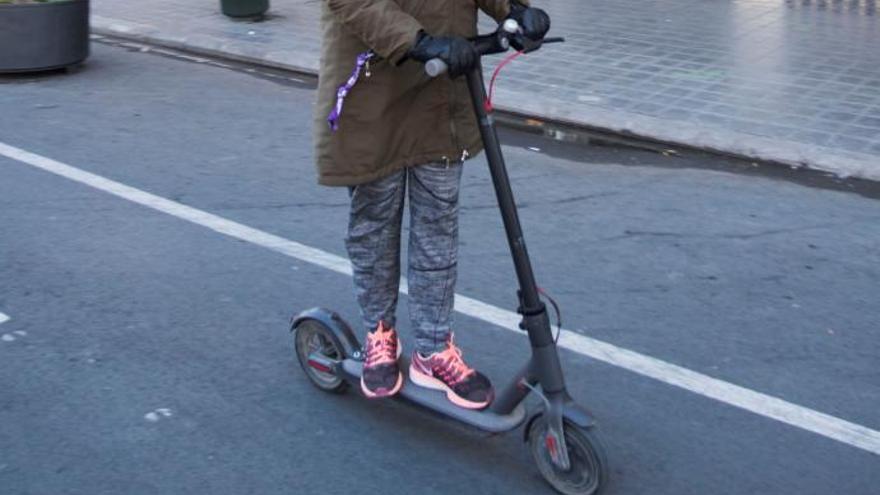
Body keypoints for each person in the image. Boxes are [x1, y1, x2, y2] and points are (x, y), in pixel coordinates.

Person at [314, 0, 550, 409]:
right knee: (375, 224)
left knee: (438, 226)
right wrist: (417, 41)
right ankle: (379, 333)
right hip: (375, 84)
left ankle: (434, 348)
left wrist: (514, 9)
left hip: (443, 87)